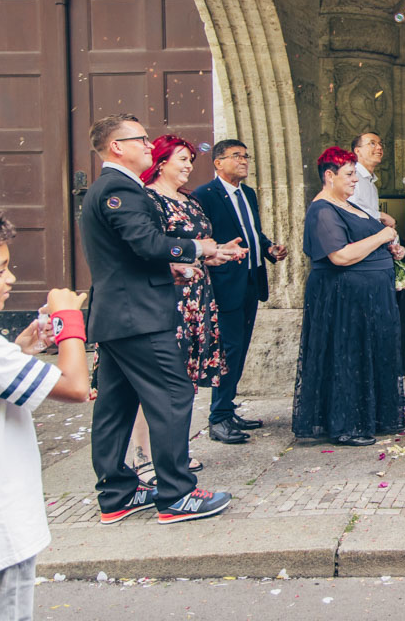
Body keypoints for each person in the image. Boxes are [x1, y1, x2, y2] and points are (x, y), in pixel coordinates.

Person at [81, 114, 235, 524]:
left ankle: (117, 493)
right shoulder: (119, 188)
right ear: (117, 146)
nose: (150, 146)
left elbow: (129, 255)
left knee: (116, 405)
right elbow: (146, 242)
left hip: (119, 314)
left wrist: (178, 265)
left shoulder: (114, 188)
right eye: (142, 139)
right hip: (139, 316)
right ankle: (176, 495)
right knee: (173, 394)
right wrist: (196, 248)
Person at [0, 211, 90, 621]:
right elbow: (76, 386)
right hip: (2, 528)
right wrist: (69, 320)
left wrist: (21, 348)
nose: (11, 278)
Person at [128, 134, 228, 482]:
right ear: (161, 161)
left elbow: (196, 248)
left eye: (189, 159)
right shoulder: (149, 200)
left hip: (197, 297)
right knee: (155, 380)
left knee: (182, 380)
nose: (188, 166)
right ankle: (144, 455)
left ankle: (175, 450)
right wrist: (190, 258)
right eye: (181, 159)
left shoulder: (189, 200)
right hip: (167, 300)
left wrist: (218, 252)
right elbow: (151, 250)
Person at [293, 147, 405, 445]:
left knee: (369, 355)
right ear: (329, 176)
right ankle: (346, 424)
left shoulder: (349, 204)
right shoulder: (322, 209)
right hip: (345, 300)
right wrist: (382, 237)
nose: (356, 180)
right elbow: (340, 255)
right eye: (349, 174)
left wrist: (390, 249)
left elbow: (363, 241)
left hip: (369, 297)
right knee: (348, 357)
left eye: (355, 174)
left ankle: (373, 416)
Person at [191, 139, 288, 445]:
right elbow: (201, 239)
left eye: (246, 156)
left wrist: (269, 248)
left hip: (250, 281)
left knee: (240, 348)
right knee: (227, 350)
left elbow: (251, 232)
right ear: (218, 162)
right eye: (236, 156)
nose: (244, 161)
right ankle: (218, 418)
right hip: (224, 284)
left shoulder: (247, 193)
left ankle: (228, 408)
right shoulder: (204, 195)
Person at [350, 131, 405, 375]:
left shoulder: (369, 181)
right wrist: (381, 218)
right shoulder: (355, 178)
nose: (379, 148)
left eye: (380, 143)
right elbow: (356, 215)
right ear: (357, 150)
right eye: (372, 143)